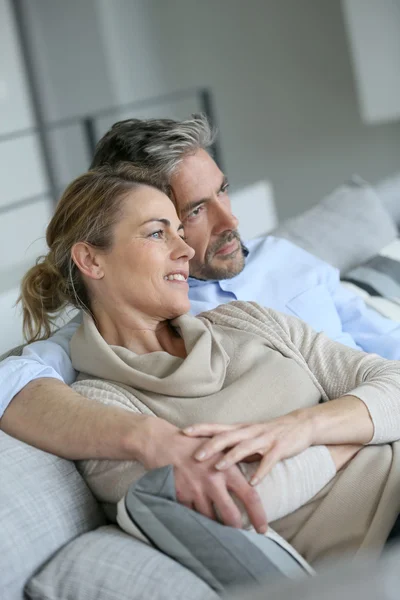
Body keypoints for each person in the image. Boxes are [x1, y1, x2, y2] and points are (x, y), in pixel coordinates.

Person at [1, 115, 400, 532]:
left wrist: (309, 427)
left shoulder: (271, 276)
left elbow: (387, 355)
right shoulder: (105, 353)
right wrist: (149, 437)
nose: (230, 221)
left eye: (223, 190)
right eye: (192, 212)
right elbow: (11, 383)